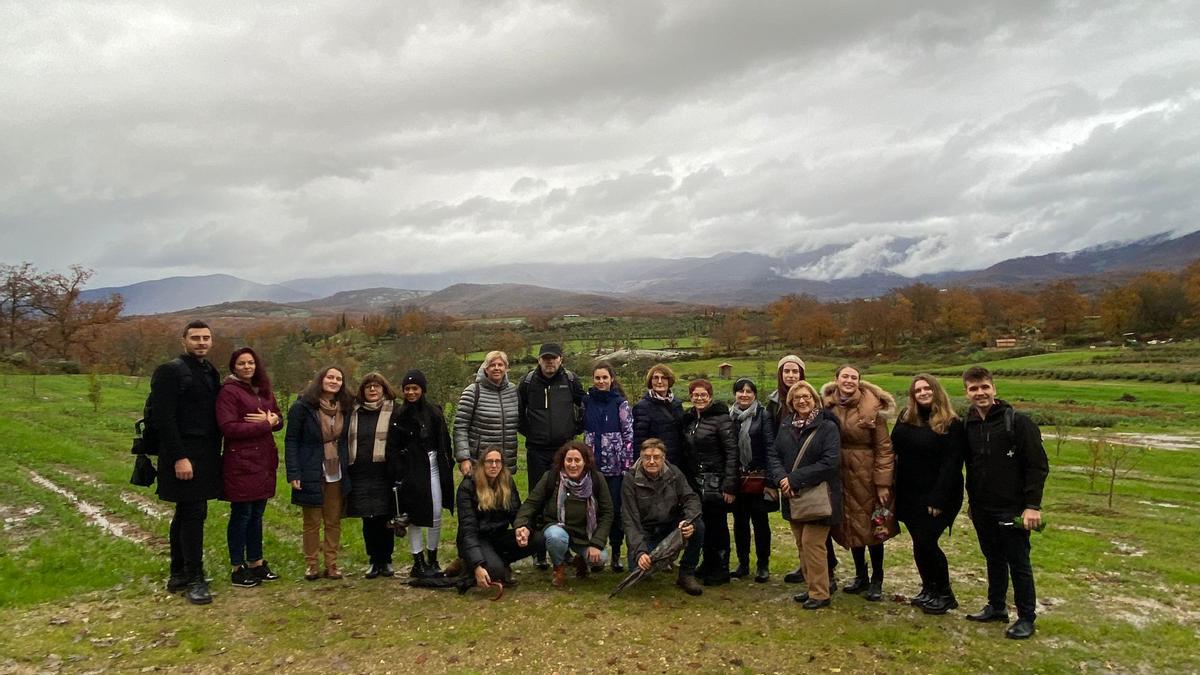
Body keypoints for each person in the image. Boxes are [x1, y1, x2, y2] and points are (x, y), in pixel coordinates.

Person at [961, 366, 1049, 640]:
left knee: (1018, 562)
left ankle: (1026, 617)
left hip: (1012, 506)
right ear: (967, 393)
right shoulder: (969, 424)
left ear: (994, 388)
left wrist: (1032, 505)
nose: (980, 393)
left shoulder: (1018, 422)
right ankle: (996, 606)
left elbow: (1037, 466)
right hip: (982, 506)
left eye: (984, 387)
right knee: (993, 558)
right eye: (974, 389)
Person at [154, 320, 222, 604]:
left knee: (186, 513)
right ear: (184, 340)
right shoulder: (170, 371)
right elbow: (163, 419)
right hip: (182, 453)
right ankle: (195, 577)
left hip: (205, 453)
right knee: (193, 514)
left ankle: (178, 572)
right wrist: (180, 457)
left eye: (206, 338)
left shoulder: (209, 371)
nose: (201, 342)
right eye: (195, 338)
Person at [822, 364, 897, 601]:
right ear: (836, 379)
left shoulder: (871, 407)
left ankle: (877, 579)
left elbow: (884, 448)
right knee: (850, 524)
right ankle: (860, 576)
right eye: (845, 376)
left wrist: (882, 482)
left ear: (859, 381)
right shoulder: (829, 405)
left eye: (854, 377)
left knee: (873, 525)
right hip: (840, 473)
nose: (849, 380)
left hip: (866, 473)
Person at [892, 374, 966, 615]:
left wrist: (939, 498)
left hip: (937, 494)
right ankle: (928, 588)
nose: (922, 393)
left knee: (927, 541)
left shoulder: (951, 423)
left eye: (927, 389)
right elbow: (893, 447)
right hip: (909, 492)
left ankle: (945, 593)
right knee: (918, 542)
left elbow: (952, 465)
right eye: (917, 390)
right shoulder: (906, 418)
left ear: (936, 391)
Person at [768, 381, 842, 610]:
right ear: (791, 402)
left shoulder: (827, 426)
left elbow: (830, 462)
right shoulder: (787, 424)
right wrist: (782, 478)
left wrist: (794, 479)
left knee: (812, 542)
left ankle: (821, 593)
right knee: (801, 542)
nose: (802, 400)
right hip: (793, 495)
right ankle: (812, 586)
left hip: (820, 494)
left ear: (814, 399)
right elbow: (774, 455)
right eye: (797, 398)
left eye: (806, 396)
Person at [215, 346, 283, 589]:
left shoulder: (263, 390)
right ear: (234, 366)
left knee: (257, 515)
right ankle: (237, 566)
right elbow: (229, 427)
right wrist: (265, 424)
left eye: (250, 363)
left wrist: (272, 421)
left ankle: (256, 562)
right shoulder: (229, 392)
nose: (247, 367)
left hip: (264, 462)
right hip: (241, 462)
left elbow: (277, 418)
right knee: (242, 515)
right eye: (242, 363)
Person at [517, 342, 585, 569]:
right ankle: (538, 551)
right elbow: (519, 412)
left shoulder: (571, 380)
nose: (549, 362)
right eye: (545, 359)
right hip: (536, 449)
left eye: (553, 359)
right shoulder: (527, 383)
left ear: (560, 359)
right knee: (538, 497)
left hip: (563, 450)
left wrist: (575, 427)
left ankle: (562, 547)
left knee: (564, 496)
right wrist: (532, 433)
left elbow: (583, 403)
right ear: (539, 361)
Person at [514, 441, 614, 588]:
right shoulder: (551, 477)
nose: (573, 465)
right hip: (557, 527)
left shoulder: (597, 479)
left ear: (585, 462)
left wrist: (597, 543)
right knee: (555, 537)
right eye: (569, 460)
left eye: (577, 460)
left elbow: (607, 513)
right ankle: (558, 567)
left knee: (601, 558)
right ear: (563, 461)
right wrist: (521, 524)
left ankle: (581, 560)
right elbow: (531, 504)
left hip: (585, 534)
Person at [284, 366, 352, 581]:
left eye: (338, 378)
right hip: (310, 467)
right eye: (330, 377)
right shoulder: (303, 406)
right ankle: (311, 564)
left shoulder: (346, 406)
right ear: (320, 379)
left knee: (333, 520)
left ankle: (331, 564)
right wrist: (293, 471)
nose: (334, 381)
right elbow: (291, 440)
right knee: (312, 521)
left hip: (336, 469)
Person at [621, 439, 704, 596]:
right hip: (646, 532)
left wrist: (688, 521)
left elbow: (691, 498)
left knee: (697, 526)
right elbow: (630, 520)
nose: (652, 461)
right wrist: (640, 552)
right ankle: (661, 559)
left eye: (656, 457)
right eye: (647, 457)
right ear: (641, 457)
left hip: (670, 528)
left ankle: (687, 573)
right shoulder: (630, 480)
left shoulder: (674, 473)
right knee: (639, 570)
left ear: (663, 458)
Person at [394, 370, 455, 578]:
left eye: (415, 388)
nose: (411, 392)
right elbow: (393, 447)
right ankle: (417, 560)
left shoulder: (434, 413)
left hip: (434, 465)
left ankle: (433, 557)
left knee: (436, 512)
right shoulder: (399, 416)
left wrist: (449, 463)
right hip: (410, 470)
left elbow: (445, 441)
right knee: (415, 516)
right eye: (407, 389)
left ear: (423, 389)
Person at [455, 446, 542, 592]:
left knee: (539, 539)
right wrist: (477, 565)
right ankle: (470, 564)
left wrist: (523, 528)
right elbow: (468, 531)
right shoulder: (467, 486)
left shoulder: (507, 482)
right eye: (489, 462)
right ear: (482, 464)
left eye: (498, 462)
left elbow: (516, 514)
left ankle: (497, 561)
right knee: (496, 573)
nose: (494, 466)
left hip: (498, 536)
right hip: (477, 538)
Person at [679, 379, 738, 586]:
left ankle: (721, 568)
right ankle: (707, 562)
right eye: (695, 395)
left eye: (703, 395)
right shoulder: (689, 420)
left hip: (717, 481)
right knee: (702, 525)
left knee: (718, 526)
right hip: (696, 481)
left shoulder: (721, 419)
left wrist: (730, 485)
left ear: (710, 396)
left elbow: (732, 452)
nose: (699, 398)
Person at [344, 372, 402, 579]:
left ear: (384, 389)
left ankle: (386, 559)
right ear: (362, 390)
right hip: (359, 472)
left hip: (384, 473)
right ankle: (373, 560)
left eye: (377, 386)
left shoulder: (394, 411)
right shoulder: (353, 412)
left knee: (384, 517)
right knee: (368, 518)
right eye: (368, 386)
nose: (372, 389)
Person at [582, 362, 634, 572]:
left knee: (613, 511)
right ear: (593, 380)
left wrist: (626, 465)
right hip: (592, 468)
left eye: (605, 378)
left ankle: (615, 553)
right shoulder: (586, 402)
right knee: (592, 510)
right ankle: (595, 552)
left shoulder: (620, 403)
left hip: (615, 469)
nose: (601, 381)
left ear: (611, 379)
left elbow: (629, 436)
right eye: (597, 378)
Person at [727, 377, 776, 583]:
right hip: (737, 479)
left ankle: (763, 564)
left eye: (748, 391)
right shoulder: (729, 417)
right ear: (735, 394)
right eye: (740, 391)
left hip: (759, 478)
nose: (744, 394)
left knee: (760, 523)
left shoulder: (763, 416)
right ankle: (743, 563)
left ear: (754, 395)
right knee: (740, 523)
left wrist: (771, 481)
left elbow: (770, 447)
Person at [453, 350, 519, 476]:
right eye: (492, 365)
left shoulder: (513, 391)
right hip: (479, 461)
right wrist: (464, 458)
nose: (496, 368)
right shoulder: (472, 391)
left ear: (506, 368)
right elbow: (460, 427)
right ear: (485, 368)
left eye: (500, 365)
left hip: (505, 462)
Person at [631, 364, 686, 467]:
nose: (660, 381)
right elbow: (639, 441)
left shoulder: (677, 404)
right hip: (655, 463)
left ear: (669, 381)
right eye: (655, 378)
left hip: (678, 463)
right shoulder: (642, 407)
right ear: (650, 381)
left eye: (664, 378)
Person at [766, 355, 806, 434]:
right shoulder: (774, 402)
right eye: (786, 371)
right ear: (781, 374)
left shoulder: (811, 399)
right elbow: (769, 432)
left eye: (795, 371)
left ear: (801, 374)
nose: (791, 376)